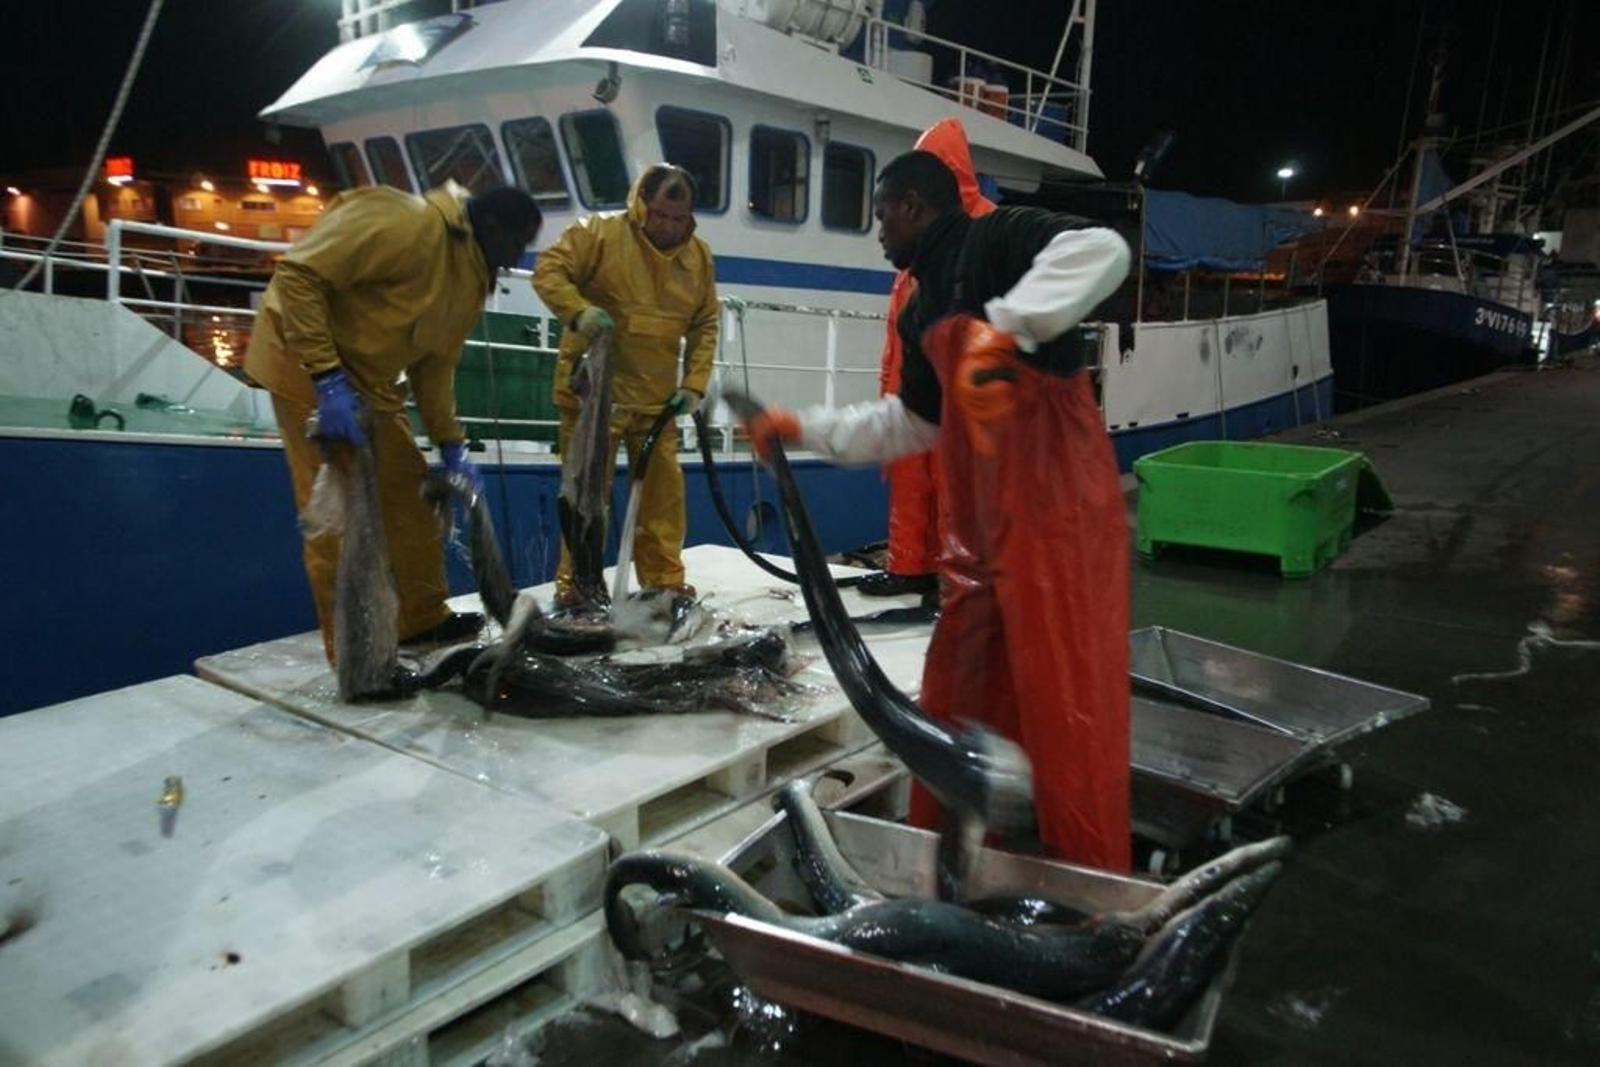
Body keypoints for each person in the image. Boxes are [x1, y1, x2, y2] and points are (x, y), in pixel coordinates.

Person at [744, 151, 1133, 870]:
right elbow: (913, 423)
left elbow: (1103, 249)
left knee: (1064, 700)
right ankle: (954, 856)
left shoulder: (1000, 239)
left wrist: (1007, 328)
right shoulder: (920, 307)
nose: (878, 232)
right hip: (982, 537)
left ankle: (1088, 883)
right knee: (954, 693)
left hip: (1060, 525)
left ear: (917, 205)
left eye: (883, 213)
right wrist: (803, 429)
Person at [245, 181, 542, 659]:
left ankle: (418, 622)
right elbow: (300, 276)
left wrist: (451, 444)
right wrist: (326, 379)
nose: (516, 259)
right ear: (490, 226)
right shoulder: (406, 221)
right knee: (342, 519)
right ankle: (356, 656)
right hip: (305, 368)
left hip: (370, 380)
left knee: (411, 498)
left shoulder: (471, 272)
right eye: (516, 243)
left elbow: (435, 366)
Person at [533, 163, 718, 608]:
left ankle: (663, 582)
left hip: (658, 401)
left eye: (678, 218)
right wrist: (578, 312)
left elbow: (705, 323)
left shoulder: (699, 257)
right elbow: (549, 272)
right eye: (660, 215)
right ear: (642, 205)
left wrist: (693, 385)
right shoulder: (598, 234)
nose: (669, 226)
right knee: (584, 495)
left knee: (662, 499)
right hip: (595, 394)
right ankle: (578, 584)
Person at [861, 117, 995, 599]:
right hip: (912, 396)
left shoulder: (984, 229)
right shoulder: (917, 245)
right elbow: (896, 336)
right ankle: (908, 569)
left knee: (958, 496)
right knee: (911, 484)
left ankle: (956, 588)